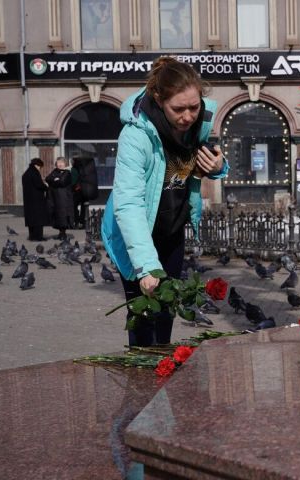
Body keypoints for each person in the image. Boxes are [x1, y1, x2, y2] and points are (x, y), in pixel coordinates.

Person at [101, 57, 229, 347]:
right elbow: (129, 203)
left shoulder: (199, 125)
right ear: (159, 100)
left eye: (194, 107)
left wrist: (218, 166)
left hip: (172, 229)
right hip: (136, 233)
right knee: (144, 316)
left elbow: (206, 162)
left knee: (167, 310)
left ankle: (162, 377)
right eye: (178, 109)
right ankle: (141, 382)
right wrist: (146, 267)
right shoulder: (135, 136)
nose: (187, 117)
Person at [46, 157, 75, 240]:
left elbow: (62, 182)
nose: (60, 164)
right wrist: (55, 179)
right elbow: (48, 178)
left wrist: (55, 180)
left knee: (63, 215)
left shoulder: (67, 173)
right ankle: (60, 232)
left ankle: (63, 233)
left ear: (65, 164)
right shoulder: (54, 171)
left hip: (64, 198)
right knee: (57, 215)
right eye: (58, 162)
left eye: (61, 162)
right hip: (54, 198)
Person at [21, 158, 50, 241]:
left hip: (28, 201)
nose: (40, 168)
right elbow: (39, 185)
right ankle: (38, 237)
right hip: (37, 200)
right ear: (37, 165)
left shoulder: (26, 173)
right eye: (40, 167)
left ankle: (32, 236)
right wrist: (46, 187)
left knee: (31, 220)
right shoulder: (34, 173)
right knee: (38, 220)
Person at [71, 156, 99, 229]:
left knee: (74, 206)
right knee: (84, 207)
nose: (71, 162)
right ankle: (83, 223)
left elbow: (73, 181)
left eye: (72, 161)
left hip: (77, 191)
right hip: (86, 190)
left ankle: (76, 222)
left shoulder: (75, 169)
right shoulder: (87, 169)